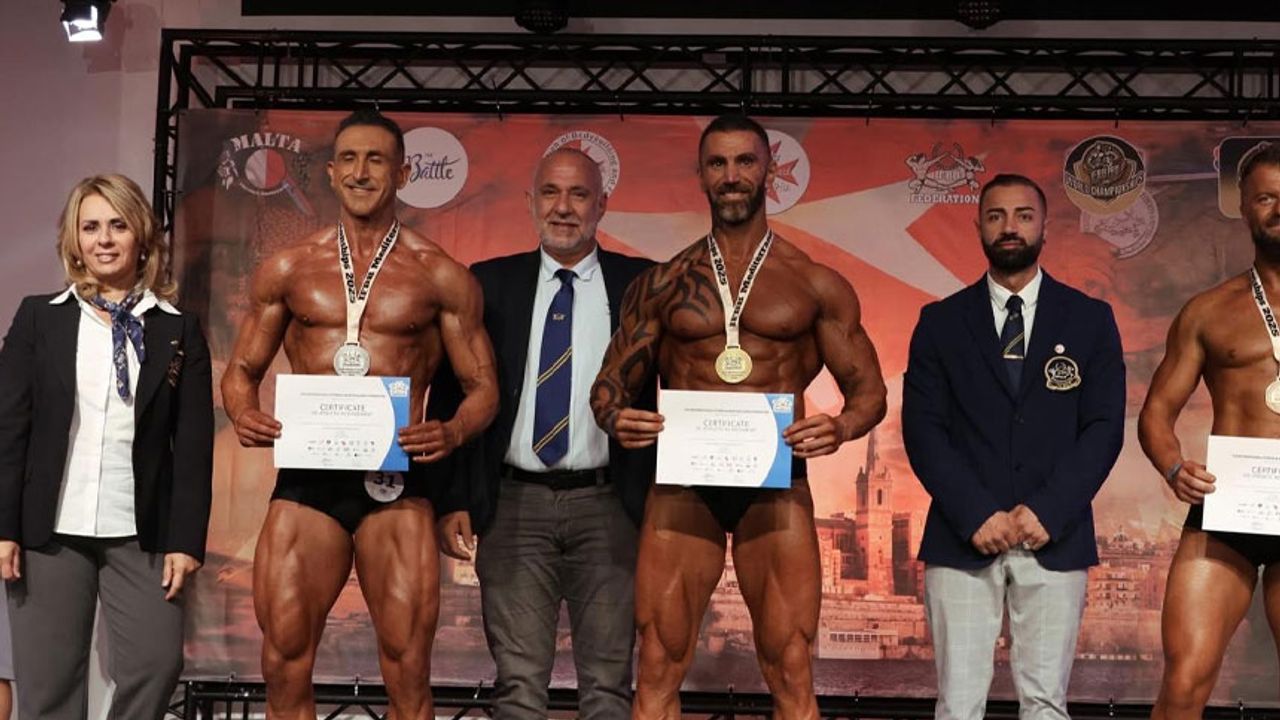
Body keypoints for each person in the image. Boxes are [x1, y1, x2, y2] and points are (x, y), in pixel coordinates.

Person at [590, 113, 887, 720]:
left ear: (769, 172)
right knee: (658, 661)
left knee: (790, 663)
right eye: (718, 163)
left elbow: (869, 392)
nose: (732, 176)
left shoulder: (814, 283)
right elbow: (608, 386)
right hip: (683, 485)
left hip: (775, 486)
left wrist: (839, 427)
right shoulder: (662, 283)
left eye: (745, 162)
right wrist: (616, 417)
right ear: (701, 175)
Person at [221, 109, 498, 720]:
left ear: (402, 173)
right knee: (282, 660)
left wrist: (453, 429)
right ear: (330, 172)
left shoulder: (439, 275)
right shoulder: (289, 268)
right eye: (348, 158)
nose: (361, 172)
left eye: (376, 159)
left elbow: (483, 388)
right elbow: (240, 370)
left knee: (407, 667)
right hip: (307, 483)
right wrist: (242, 412)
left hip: (396, 486)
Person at [436, 147, 655, 718]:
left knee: (608, 686)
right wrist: (453, 497)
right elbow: (454, 394)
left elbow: (681, 382)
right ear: (530, 201)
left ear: (602, 204)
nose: (563, 208)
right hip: (513, 507)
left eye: (579, 194)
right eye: (551, 193)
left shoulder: (642, 284)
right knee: (517, 686)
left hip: (612, 507)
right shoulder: (487, 283)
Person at [901, 173, 1125, 720]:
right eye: (996, 215)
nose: (1010, 227)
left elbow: (1103, 428)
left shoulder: (1090, 319)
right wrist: (975, 512)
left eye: (1024, 215)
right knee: (958, 704)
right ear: (978, 226)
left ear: (1045, 227)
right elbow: (923, 429)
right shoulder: (940, 322)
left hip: (1055, 535)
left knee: (1046, 703)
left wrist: (1049, 509)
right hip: (962, 536)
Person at [0, 173, 214, 720]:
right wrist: (3, 527)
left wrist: (186, 540)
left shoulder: (178, 329)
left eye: (117, 225)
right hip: (48, 529)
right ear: (73, 240)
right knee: (48, 688)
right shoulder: (38, 317)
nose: (104, 240)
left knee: (156, 663)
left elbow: (193, 447)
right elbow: (9, 429)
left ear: (141, 235)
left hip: (142, 531)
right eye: (90, 227)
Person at [1138, 141, 1280, 719]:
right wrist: (1174, 467)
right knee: (1186, 678)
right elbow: (1156, 412)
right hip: (1230, 510)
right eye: (1266, 198)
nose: (1279, 208)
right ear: (1244, 208)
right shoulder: (1208, 311)